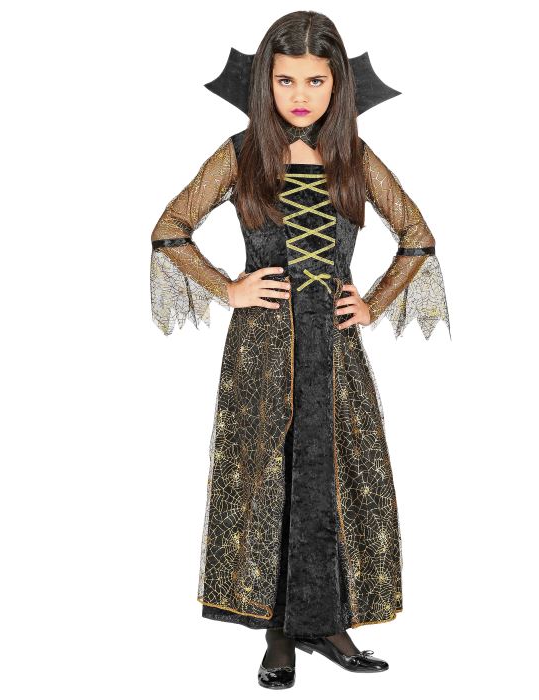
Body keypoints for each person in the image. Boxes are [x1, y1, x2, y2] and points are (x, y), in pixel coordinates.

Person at [149, 10, 450, 690]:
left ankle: (328, 624)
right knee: (270, 475)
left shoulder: (354, 158)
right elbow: (170, 227)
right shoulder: (241, 154)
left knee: (334, 474)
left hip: (335, 350)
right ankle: (280, 633)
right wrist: (228, 287)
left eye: (316, 80)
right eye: (286, 80)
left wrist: (372, 302)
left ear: (338, 83)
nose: (301, 95)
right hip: (263, 347)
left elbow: (418, 236)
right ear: (265, 81)